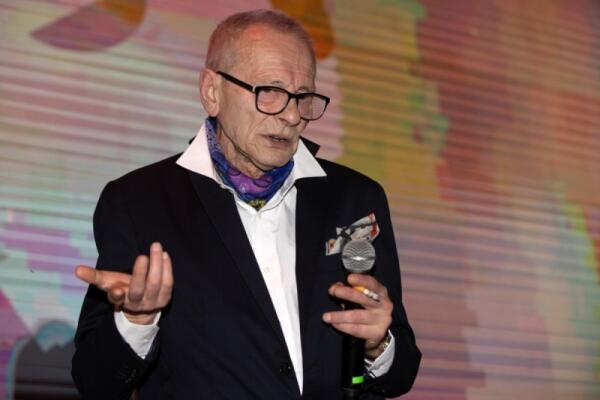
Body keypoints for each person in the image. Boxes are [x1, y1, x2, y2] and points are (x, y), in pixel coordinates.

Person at [71, 9, 421, 399]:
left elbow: (401, 373)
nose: (292, 115)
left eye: (303, 97)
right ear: (212, 92)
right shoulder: (139, 202)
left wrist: (378, 345)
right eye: (269, 91)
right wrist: (136, 319)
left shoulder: (355, 198)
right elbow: (95, 381)